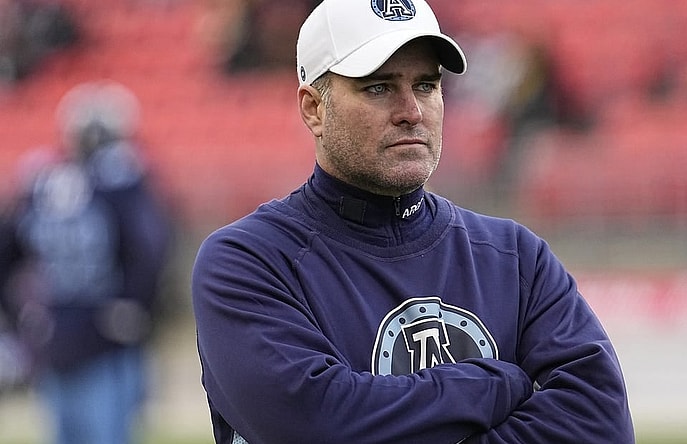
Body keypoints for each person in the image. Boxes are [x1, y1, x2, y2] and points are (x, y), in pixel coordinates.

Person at [191, 1, 635, 443]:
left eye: (425, 85)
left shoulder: (516, 259)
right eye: (379, 87)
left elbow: (601, 427)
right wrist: (493, 385)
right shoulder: (248, 262)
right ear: (314, 109)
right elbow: (312, 423)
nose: (412, 110)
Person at [0, 80, 171, 444]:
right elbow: (151, 248)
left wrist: (19, 317)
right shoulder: (124, 181)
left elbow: (8, 248)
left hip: (55, 329)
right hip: (106, 329)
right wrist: (140, 307)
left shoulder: (40, 180)